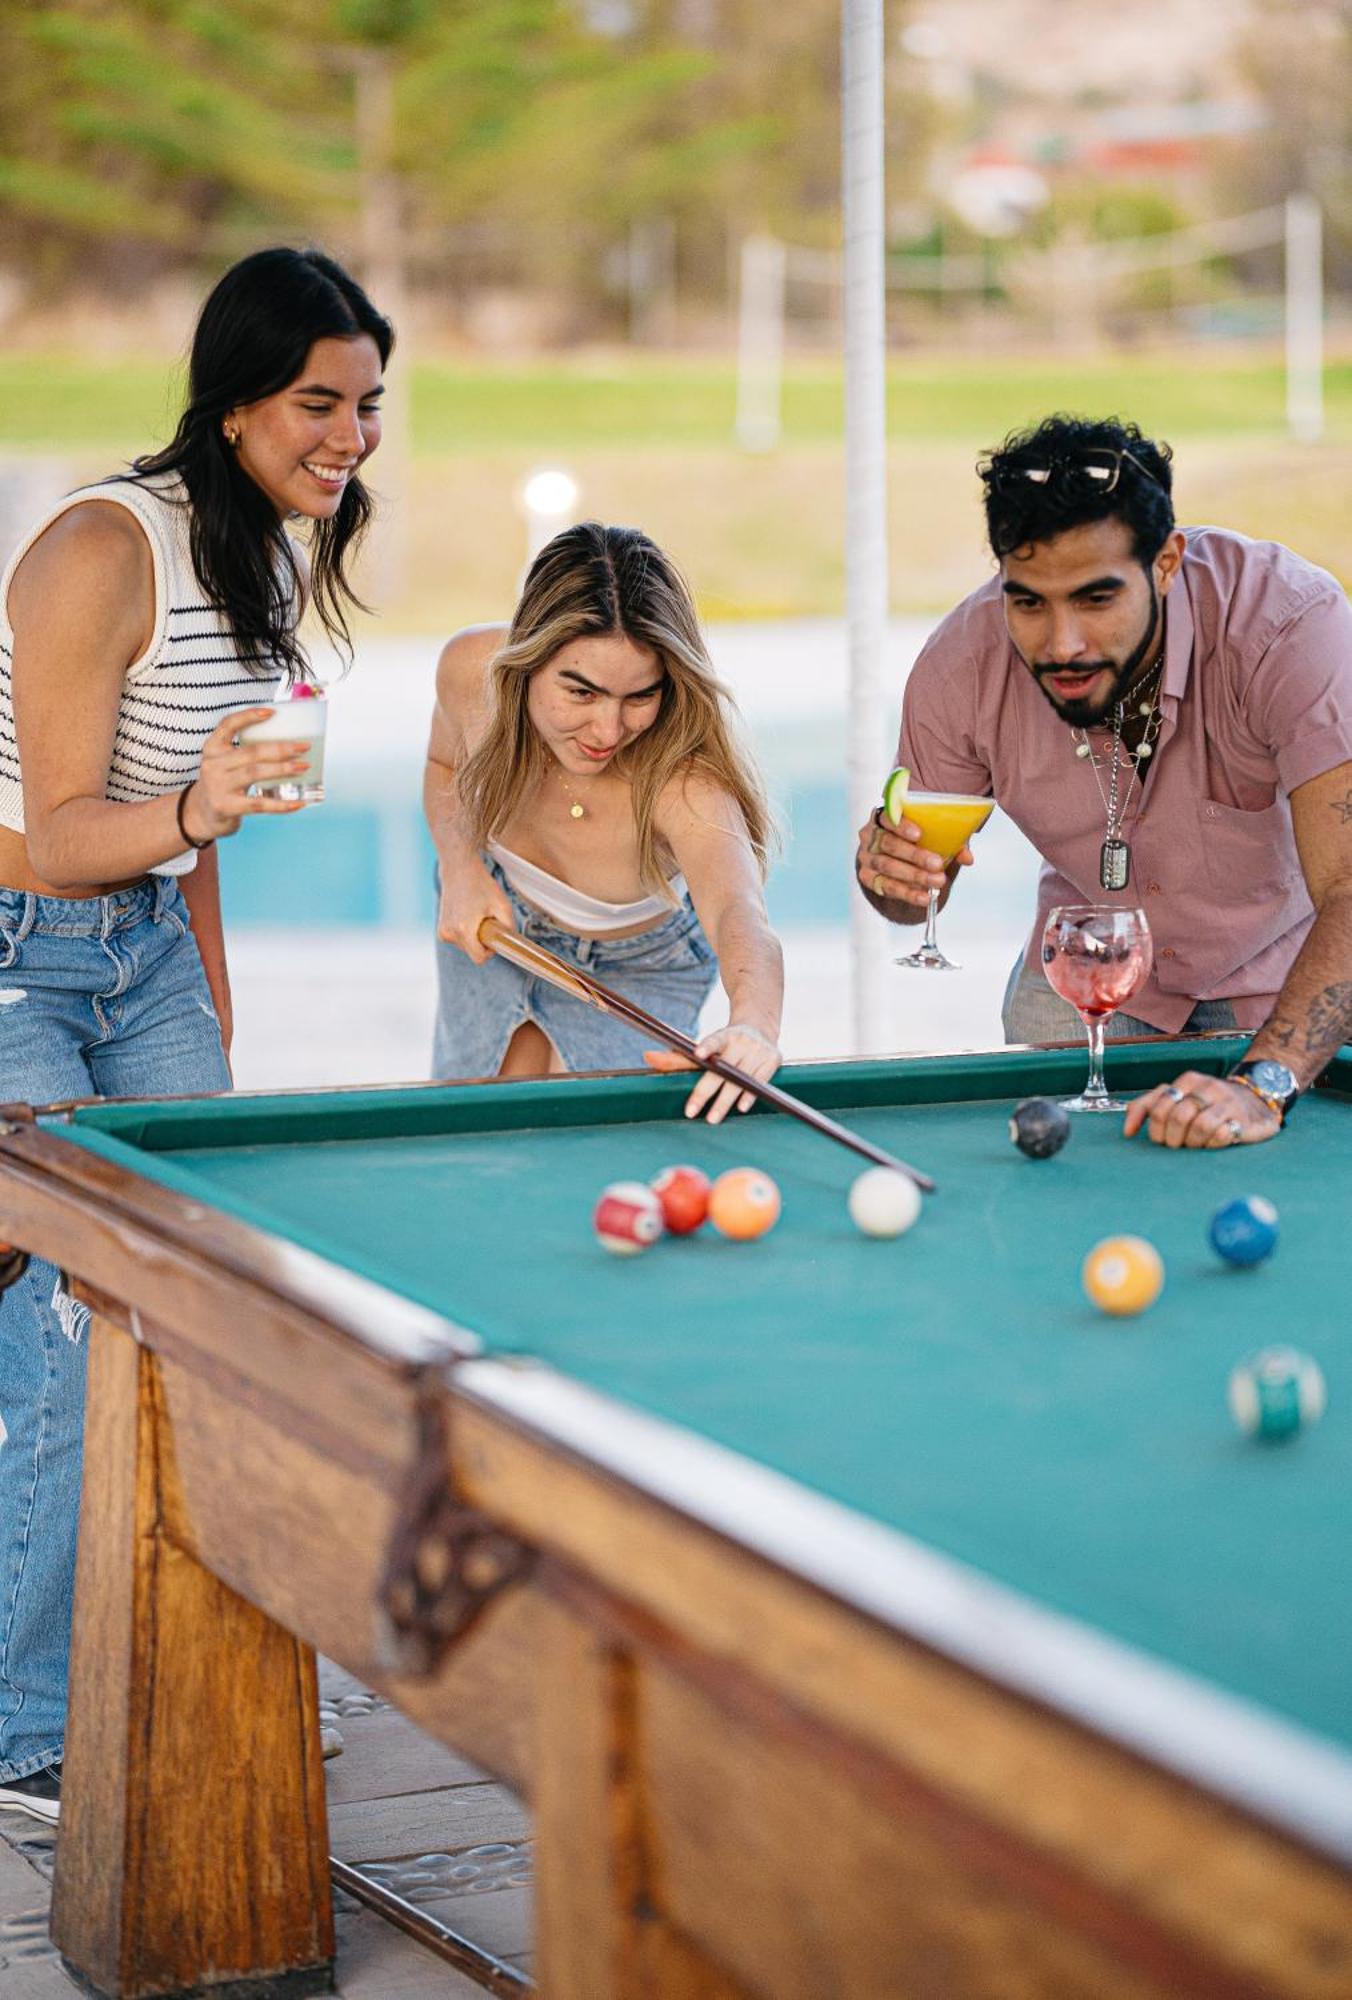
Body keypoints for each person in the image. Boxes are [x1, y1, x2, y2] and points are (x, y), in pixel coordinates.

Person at [0, 246, 392, 1824]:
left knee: (211, 1291)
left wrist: (205, 1006)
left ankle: (208, 1651)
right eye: (320, 402)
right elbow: (53, 833)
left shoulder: (273, 551)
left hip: (140, 943)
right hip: (20, 948)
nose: (351, 435)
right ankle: (27, 1718)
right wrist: (194, 809)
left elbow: (190, 846)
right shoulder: (101, 548)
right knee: (69, 1310)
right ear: (234, 400)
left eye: (369, 403)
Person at [855, 413, 1352, 1151]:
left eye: (1095, 598)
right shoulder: (959, 668)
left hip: (1286, 975)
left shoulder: (1288, 625)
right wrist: (893, 877)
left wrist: (1265, 1082)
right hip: (1084, 980)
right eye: (1028, 601)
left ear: (1167, 562)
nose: (1062, 643)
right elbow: (907, 897)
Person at [425, 522, 783, 1121]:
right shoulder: (471, 672)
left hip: (638, 964)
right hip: (498, 919)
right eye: (582, 693)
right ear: (528, 662)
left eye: (640, 696)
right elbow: (443, 767)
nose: (608, 732)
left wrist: (754, 1025)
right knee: (480, 1126)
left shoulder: (685, 780)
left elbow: (737, 910)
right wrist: (460, 868)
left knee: (597, 1139)